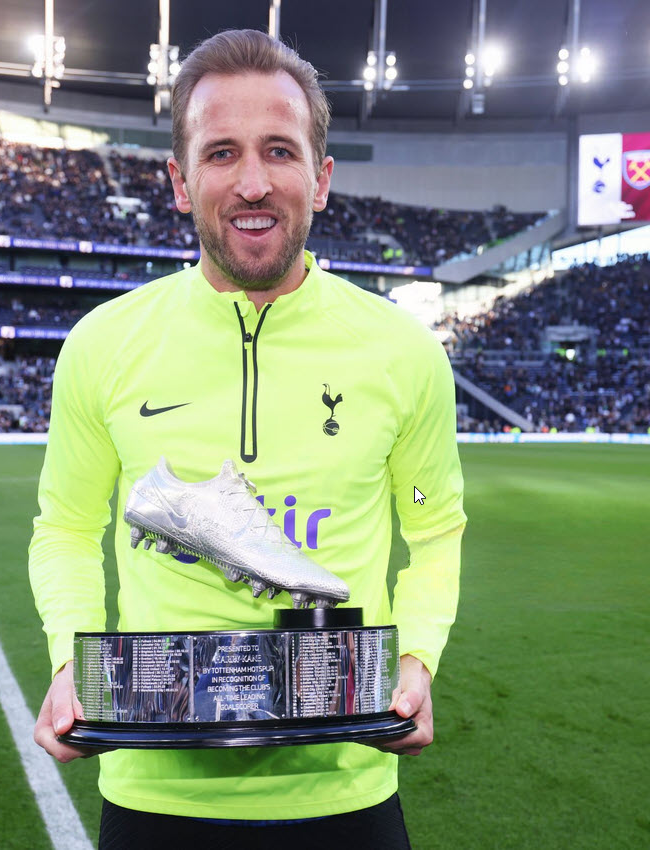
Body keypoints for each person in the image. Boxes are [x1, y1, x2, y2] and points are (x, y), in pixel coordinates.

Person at [29, 29, 466, 849]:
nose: (254, 182)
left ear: (322, 177)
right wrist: (68, 663)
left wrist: (417, 660)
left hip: (345, 789)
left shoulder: (403, 350)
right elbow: (66, 526)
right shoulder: (102, 343)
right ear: (180, 180)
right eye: (222, 152)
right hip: (155, 791)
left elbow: (434, 528)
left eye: (280, 150)